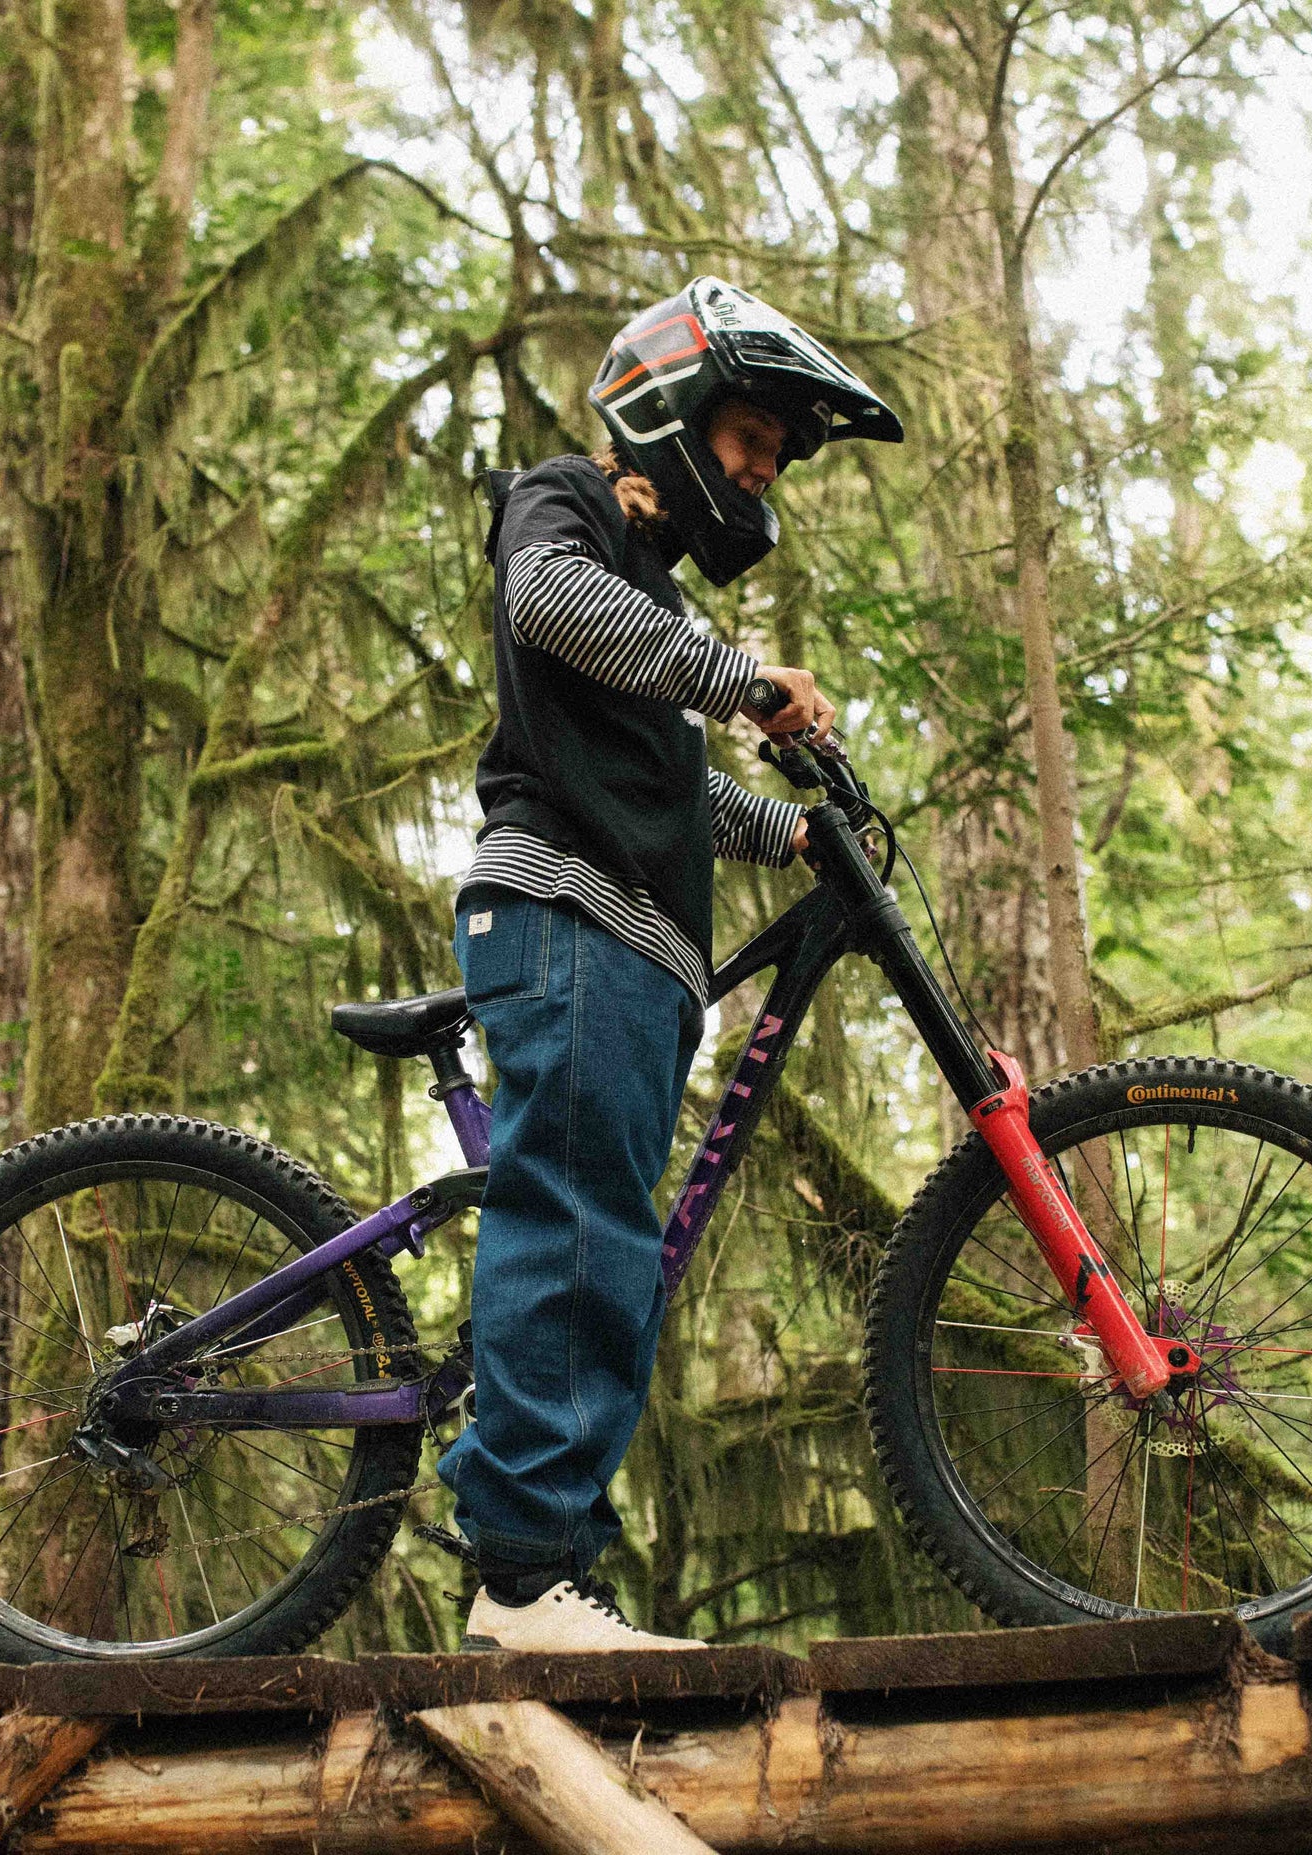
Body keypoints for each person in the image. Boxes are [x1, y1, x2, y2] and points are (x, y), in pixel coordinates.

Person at [440, 277, 903, 1650]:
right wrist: (744, 677)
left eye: (772, 457)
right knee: (580, 1224)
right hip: (565, 914)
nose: (760, 472)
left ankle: (545, 1566)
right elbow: (551, 605)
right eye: (751, 439)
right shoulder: (564, 506)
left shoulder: (654, 601)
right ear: (671, 405)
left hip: (625, 939)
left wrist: (798, 835)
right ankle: (522, 1581)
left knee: (601, 1237)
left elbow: (660, 789)